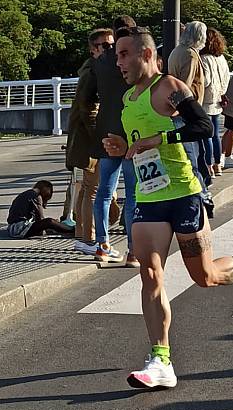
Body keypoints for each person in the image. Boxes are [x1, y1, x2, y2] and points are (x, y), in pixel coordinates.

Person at [103, 26, 233, 389]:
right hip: (149, 198)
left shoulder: (168, 88)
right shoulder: (128, 98)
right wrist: (124, 146)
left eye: (123, 54)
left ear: (146, 54)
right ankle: (160, 360)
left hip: (183, 193)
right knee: (150, 275)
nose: (118, 61)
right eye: (117, 55)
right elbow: (140, 143)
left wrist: (159, 138)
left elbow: (202, 126)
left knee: (205, 276)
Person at [65, 28, 119, 255]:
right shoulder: (93, 71)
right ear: (92, 48)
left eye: (111, 45)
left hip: (86, 139)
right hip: (91, 140)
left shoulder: (91, 68)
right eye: (104, 46)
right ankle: (89, 239)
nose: (109, 49)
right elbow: (89, 107)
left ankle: (81, 235)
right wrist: (101, 135)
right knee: (93, 190)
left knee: (88, 188)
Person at [91, 15, 139, 266]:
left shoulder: (101, 62)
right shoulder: (135, 59)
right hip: (132, 134)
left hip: (107, 133)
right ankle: (132, 250)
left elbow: (90, 97)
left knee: (104, 193)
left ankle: (102, 244)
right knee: (132, 195)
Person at [168, 21, 210, 186]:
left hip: (178, 109)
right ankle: (199, 188)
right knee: (193, 153)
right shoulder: (190, 55)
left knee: (191, 151)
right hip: (187, 110)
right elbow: (185, 85)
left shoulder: (177, 51)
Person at [200, 27, 230, 177]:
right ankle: (218, 164)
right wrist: (222, 92)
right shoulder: (222, 58)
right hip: (218, 98)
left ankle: (208, 165)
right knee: (215, 134)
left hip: (205, 100)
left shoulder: (204, 59)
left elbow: (205, 81)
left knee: (206, 136)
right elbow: (226, 78)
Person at [7, 181, 75, 238]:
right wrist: (49, 226)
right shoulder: (36, 196)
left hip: (12, 228)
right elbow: (40, 218)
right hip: (19, 229)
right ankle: (73, 230)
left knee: (52, 223)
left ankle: (66, 228)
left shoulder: (26, 194)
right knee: (50, 221)